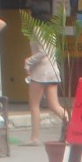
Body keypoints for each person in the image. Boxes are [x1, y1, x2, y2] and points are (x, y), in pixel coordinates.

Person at [23, 10, 67, 145]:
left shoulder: (37, 30)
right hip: (52, 70)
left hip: (40, 72)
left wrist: (28, 62)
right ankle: (73, 124)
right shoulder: (51, 32)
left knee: (34, 105)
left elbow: (43, 52)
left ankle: (34, 137)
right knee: (54, 105)